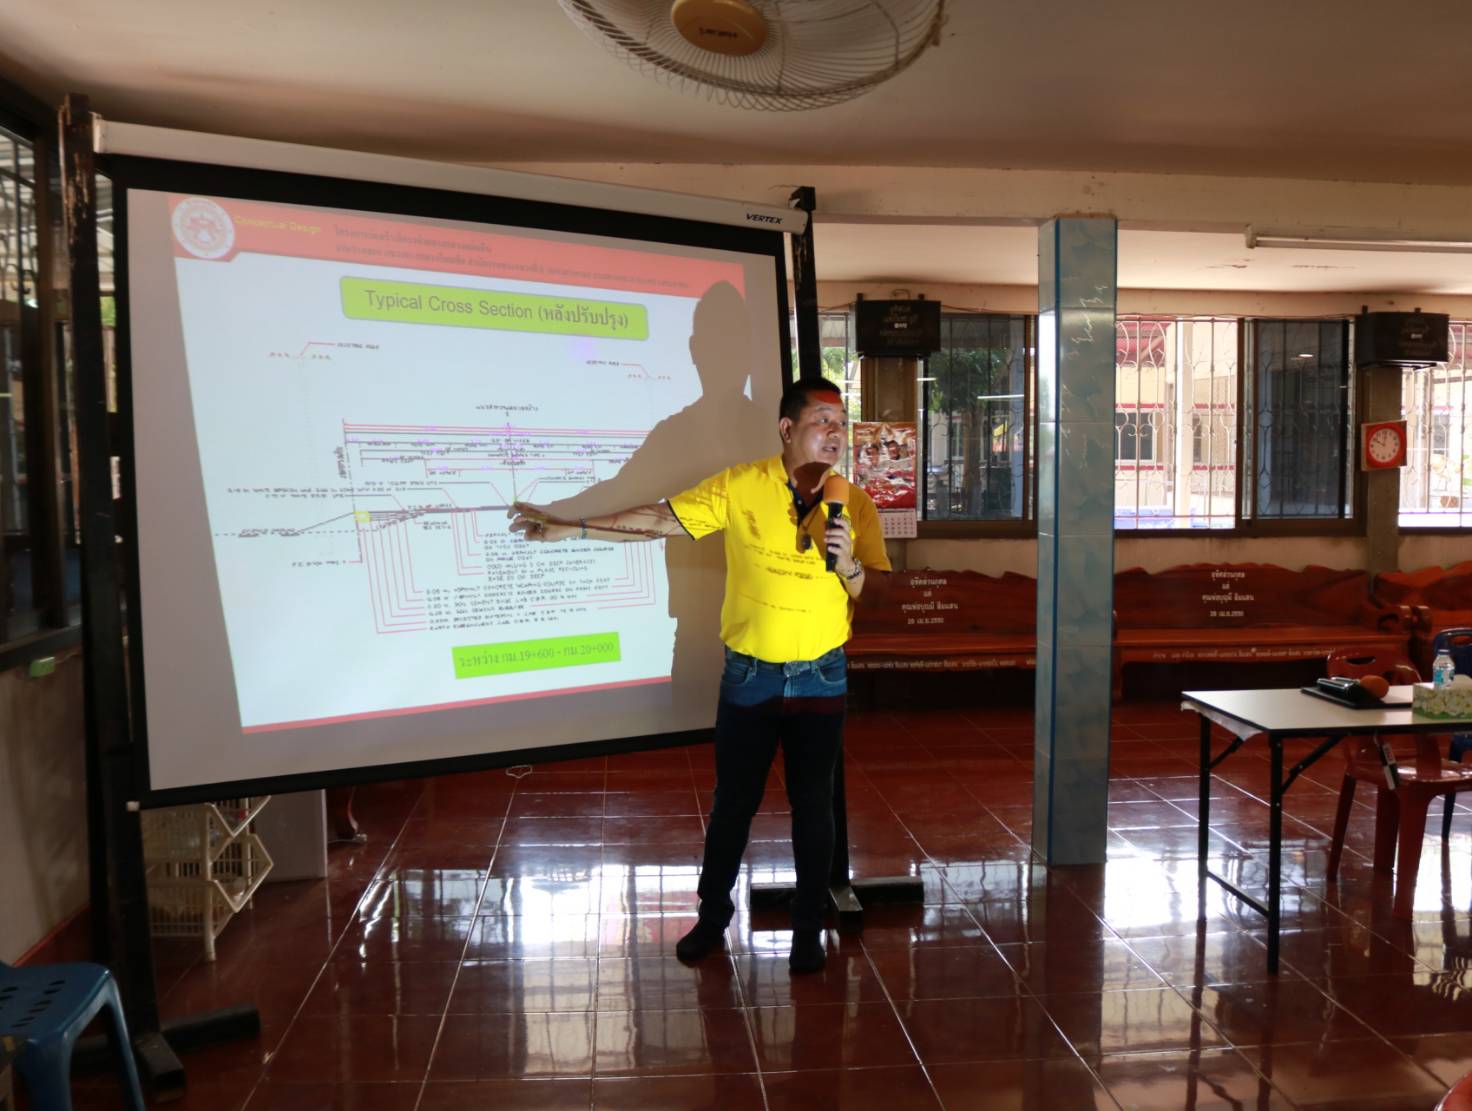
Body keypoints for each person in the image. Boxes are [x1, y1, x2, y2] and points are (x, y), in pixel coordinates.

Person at [509, 378, 890, 973]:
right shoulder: (740, 485)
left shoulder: (855, 504)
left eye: (841, 423)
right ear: (787, 429)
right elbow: (660, 520)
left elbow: (877, 595)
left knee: (815, 806)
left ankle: (807, 928)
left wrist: (849, 565)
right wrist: (572, 526)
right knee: (733, 804)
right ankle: (712, 918)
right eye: (822, 420)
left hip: (822, 675)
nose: (835, 433)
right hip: (750, 675)